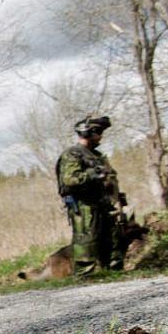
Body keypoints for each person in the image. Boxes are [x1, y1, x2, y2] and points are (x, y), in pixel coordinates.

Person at [56, 116, 127, 277]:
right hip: (84, 206)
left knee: (112, 240)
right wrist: (93, 174)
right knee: (86, 243)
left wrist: (118, 197)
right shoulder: (73, 154)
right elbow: (70, 179)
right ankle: (84, 277)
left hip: (104, 203)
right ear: (88, 133)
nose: (101, 136)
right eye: (99, 132)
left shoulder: (97, 155)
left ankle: (113, 275)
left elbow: (110, 178)